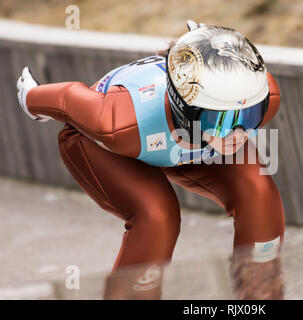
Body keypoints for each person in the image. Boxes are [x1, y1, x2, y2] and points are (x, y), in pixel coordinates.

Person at [16, 20, 285, 300]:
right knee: (157, 216)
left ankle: (260, 299)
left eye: (250, 116)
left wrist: (205, 43)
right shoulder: (118, 121)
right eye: (222, 121)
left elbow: (235, 110)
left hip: (182, 140)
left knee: (258, 192)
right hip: (112, 144)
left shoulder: (263, 94)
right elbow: (67, 97)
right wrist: (31, 97)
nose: (238, 133)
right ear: (185, 109)